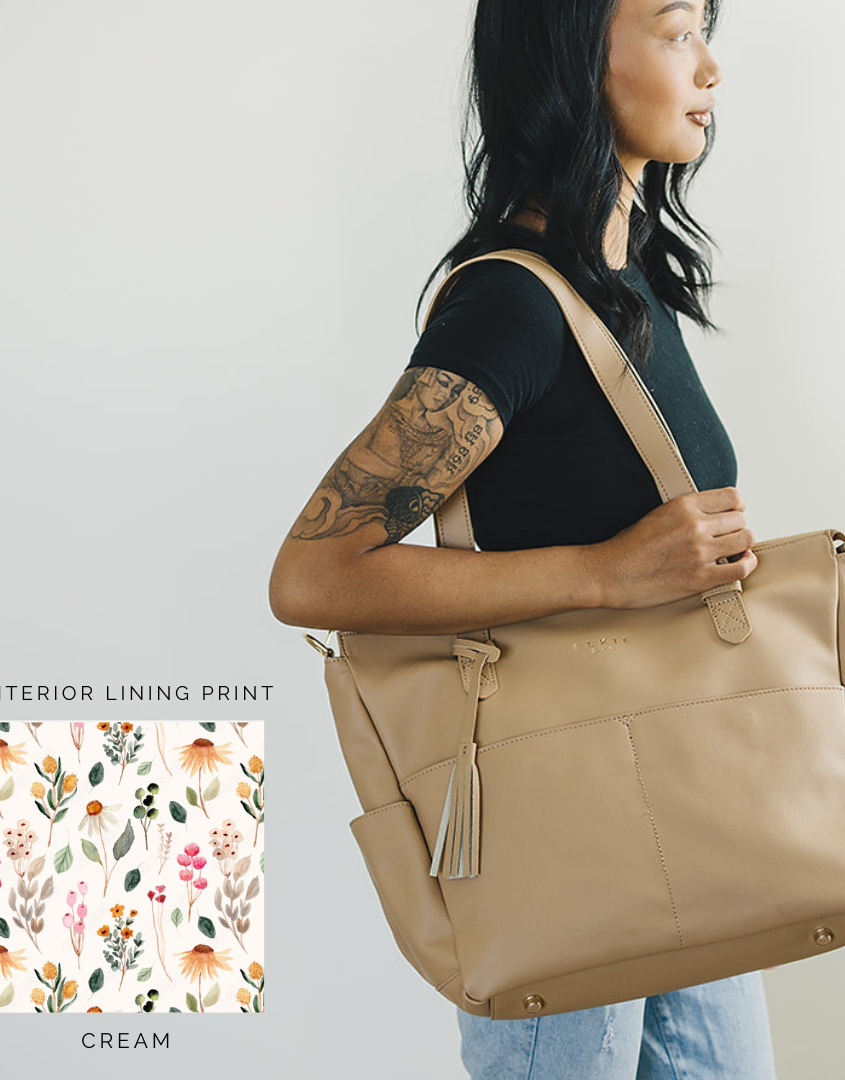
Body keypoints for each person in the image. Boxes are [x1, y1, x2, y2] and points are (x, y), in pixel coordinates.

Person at [270, 0, 778, 1076]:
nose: (712, 68)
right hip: (569, 837)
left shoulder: (629, 285)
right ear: (573, 53)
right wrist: (606, 574)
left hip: (683, 803)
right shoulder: (513, 303)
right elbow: (312, 574)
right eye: (680, 29)